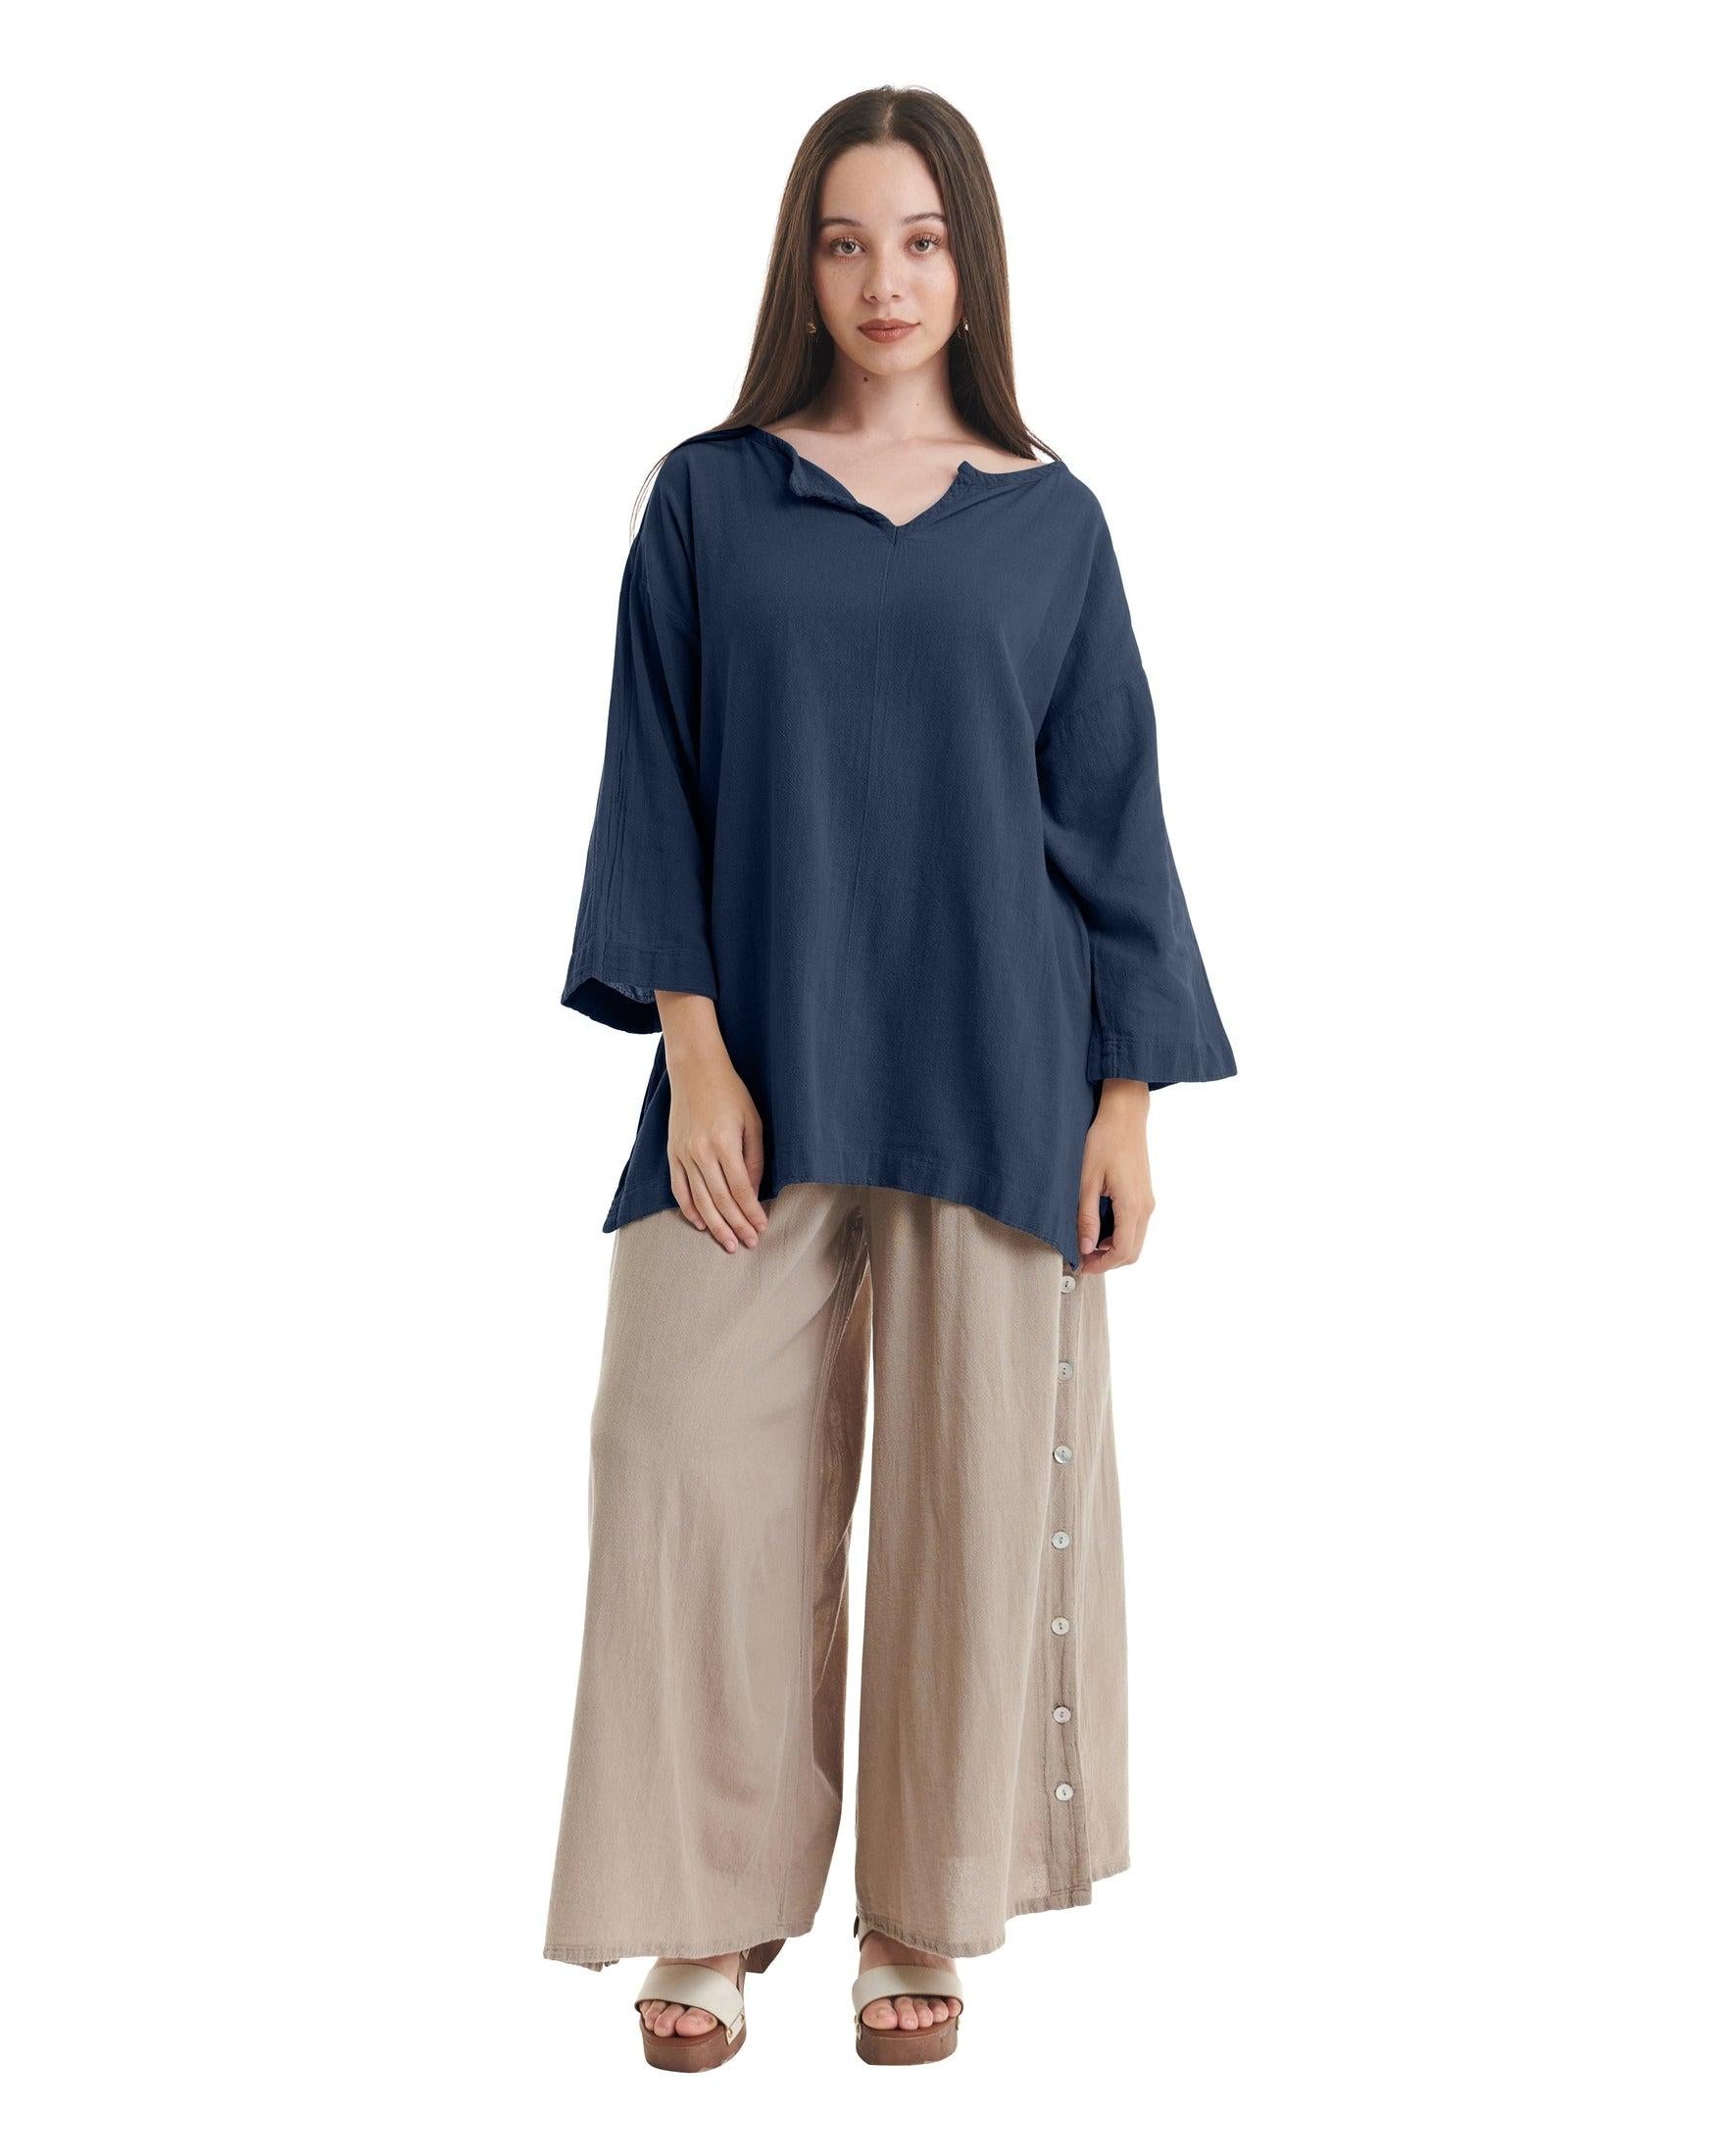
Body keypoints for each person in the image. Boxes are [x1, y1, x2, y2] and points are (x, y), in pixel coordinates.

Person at [542, 82, 1236, 2071]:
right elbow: (654, 781)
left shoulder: (1052, 522)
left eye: (920, 241)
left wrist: (1124, 1103)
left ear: (971, 265)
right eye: (846, 242)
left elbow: (1109, 820)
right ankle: (705, 1902)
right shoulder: (708, 500)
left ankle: (920, 1907)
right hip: (752, 1078)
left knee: (969, 1489)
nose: (884, 280)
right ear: (803, 265)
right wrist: (691, 1056)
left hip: (1001, 1074)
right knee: (677, 1462)